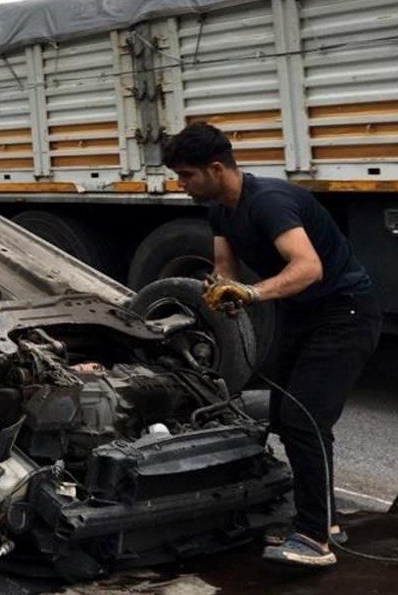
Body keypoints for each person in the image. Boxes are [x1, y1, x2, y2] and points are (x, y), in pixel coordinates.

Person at [162, 122, 381, 568]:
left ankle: (314, 539)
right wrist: (221, 290)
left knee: (306, 420)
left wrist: (254, 294)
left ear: (217, 168)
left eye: (186, 175)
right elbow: (227, 269)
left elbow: (308, 267)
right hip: (302, 316)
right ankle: (325, 519)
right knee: (283, 414)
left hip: (344, 314)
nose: (180, 184)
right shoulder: (221, 209)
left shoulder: (270, 202)